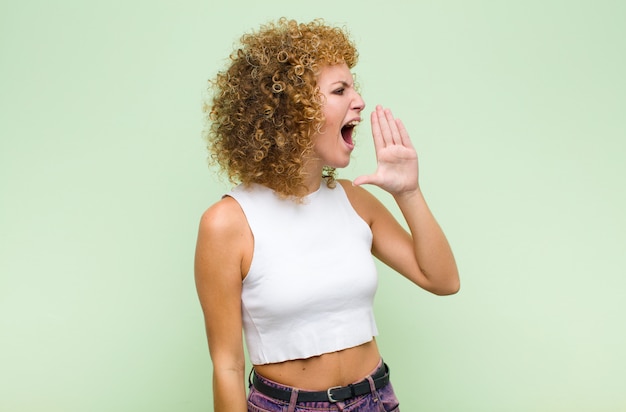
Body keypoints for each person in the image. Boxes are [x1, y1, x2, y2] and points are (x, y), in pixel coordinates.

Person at [194, 18, 459, 412]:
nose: (360, 101)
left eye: (354, 87)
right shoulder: (228, 223)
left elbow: (442, 280)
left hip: (375, 399)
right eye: (340, 90)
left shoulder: (354, 200)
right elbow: (228, 367)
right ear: (290, 112)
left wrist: (409, 192)